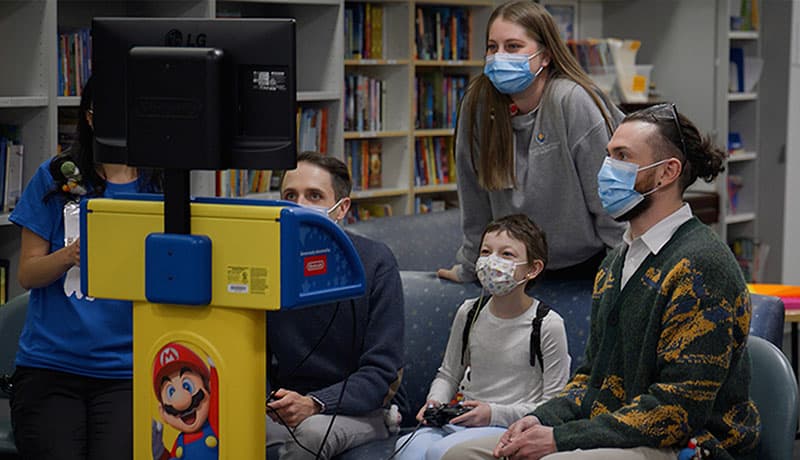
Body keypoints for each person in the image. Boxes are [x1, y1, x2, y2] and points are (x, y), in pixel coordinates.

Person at [440, 103, 760, 460]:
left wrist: (561, 439)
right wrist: (538, 419)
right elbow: (591, 377)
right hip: (614, 429)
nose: (607, 169)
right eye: (609, 155)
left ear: (666, 173)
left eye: (622, 156)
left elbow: (676, 410)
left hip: (687, 445)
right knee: (462, 454)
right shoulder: (615, 262)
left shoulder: (702, 264)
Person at [8, 75, 162, 459]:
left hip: (126, 370)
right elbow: (27, 274)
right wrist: (71, 255)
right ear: (89, 118)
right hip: (51, 367)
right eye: (106, 114)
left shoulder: (161, 182)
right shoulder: (57, 175)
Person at [438, 0, 625, 284]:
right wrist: (469, 265)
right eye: (492, 47)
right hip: (513, 271)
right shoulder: (478, 103)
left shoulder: (572, 101)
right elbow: (474, 201)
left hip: (586, 266)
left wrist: (621, 276)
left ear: (545, 55)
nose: (499, 57)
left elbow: (610, 204)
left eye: (513, 47)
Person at [395, 214, 570, 460]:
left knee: (439, 453)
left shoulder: (547, 324)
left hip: (511, 427)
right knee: (408, 448)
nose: (492, 262)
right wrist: (436, 402)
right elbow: (448, 374)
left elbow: (555, 405)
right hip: (461, 421)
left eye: (507, 254)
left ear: (533, 269)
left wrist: (492, 413)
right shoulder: (469, 312)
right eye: (486, 252)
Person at [266, 152, 405, 460]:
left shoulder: (375, 263)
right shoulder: (267, 259)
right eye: (290, 195)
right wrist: (272, 402)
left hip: (359, 410)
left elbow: (381, 371)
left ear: (341, 208)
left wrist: (314, 402)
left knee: (309, 436)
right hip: (283, 404)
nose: (300, 205)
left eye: (314, 196)